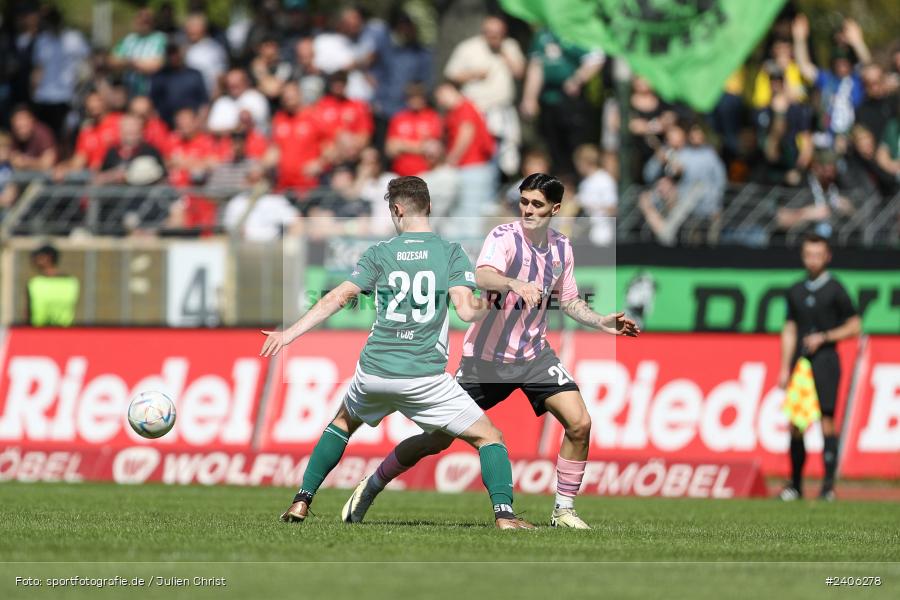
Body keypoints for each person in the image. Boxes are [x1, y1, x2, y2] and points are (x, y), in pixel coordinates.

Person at [341, 173, 639, 529]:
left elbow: (570, 300)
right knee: (435, 440)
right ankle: (372, 485)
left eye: (537, 205)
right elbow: (482, 276)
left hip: (534, 356)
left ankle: (563, 510)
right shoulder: (504, 237)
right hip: (485, 361)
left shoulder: (562, 248)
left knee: (580, 423)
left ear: (556, 209)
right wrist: (514, 282)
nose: (528, 210)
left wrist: (601, 321)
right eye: (524, 202)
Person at [260, 176, 534, 530]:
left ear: (396, 209)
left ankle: (301, 500)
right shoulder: (450, 252)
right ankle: (505, 517)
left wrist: (290, 333)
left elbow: (338, 297)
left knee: (342, 423)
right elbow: (467, 312)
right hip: (423, 376)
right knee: (490, 437)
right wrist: (492, 303)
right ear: (430, 207)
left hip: (374, 371)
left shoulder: (380, 253)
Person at [778, 234, 860, 501]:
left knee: (827, 420)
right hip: (800, 365)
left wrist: (825, 337)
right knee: (797, 422)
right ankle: (796, 485)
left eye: (818, 254)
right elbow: (789, 328)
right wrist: (783, 367)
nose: (813, 260)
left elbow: (854, 325)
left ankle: (827, 487)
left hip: (826, 360)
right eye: (808, 254)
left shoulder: (835, 289)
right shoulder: (796, 290)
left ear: (827, 257)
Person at [26, 245, 80, 327]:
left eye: (39, 256)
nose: (34, 260)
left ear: (49, 257)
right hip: (65, 332)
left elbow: (28, 312)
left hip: (37, 331)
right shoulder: (72, 282)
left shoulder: (34, 283)